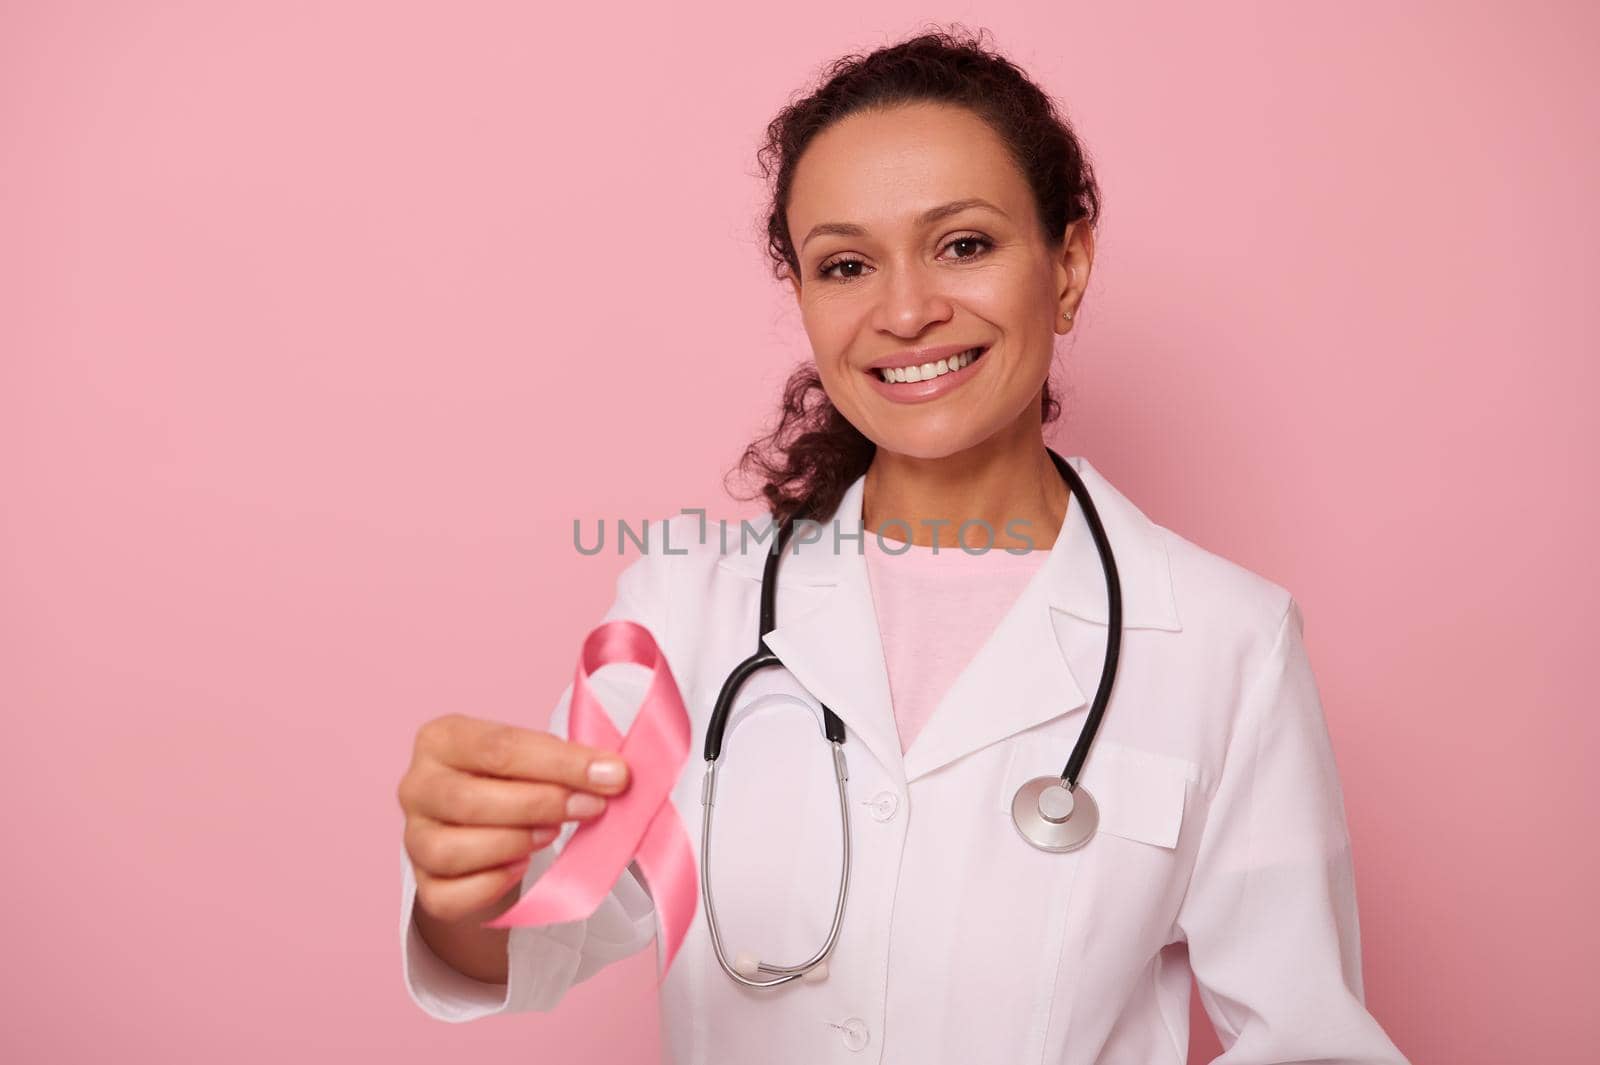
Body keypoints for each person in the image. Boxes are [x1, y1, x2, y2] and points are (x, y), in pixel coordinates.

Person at [394, 28, 1410, 1065]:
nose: (908, 311)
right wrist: (461, 881)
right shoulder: (684, 606)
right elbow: (539, 936)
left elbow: (1308, 1042)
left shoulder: (1228, 644)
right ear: (804, 298)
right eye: (845, 264)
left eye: (963, 244)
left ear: (1067, 264)